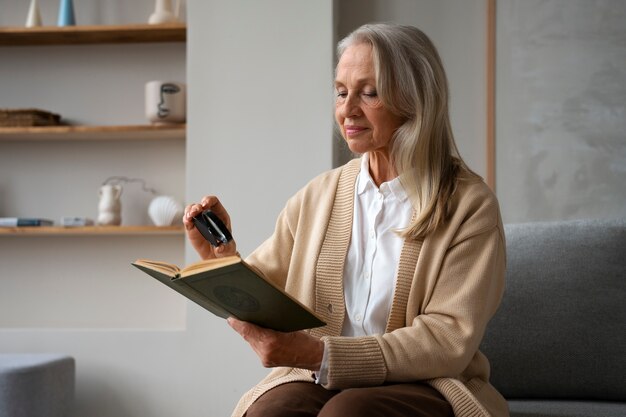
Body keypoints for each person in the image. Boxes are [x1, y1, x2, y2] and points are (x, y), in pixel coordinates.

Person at [184, 23, 508, 417]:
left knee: (348, 412)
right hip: (317, 377)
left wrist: (320, 353)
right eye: (341, 92)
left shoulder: (469, 205)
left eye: (369, 93)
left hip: (426, 383)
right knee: (269, 412)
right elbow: (264, 290)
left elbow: (446, 339)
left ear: (414, 98)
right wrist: (221, 256)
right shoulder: (318, 196)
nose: (347, 109)